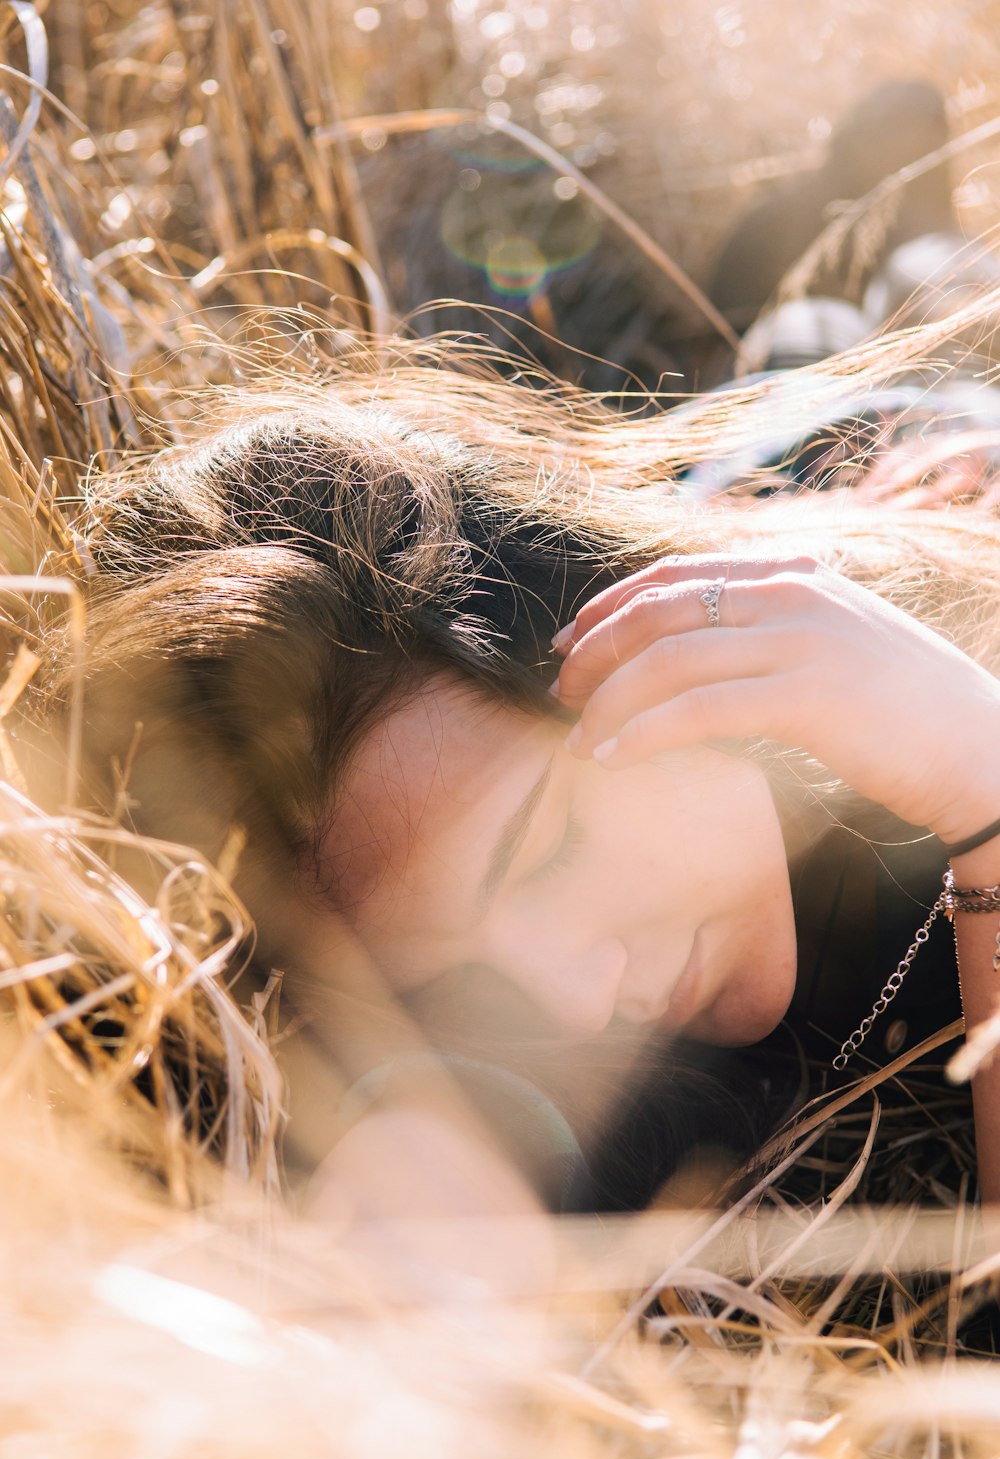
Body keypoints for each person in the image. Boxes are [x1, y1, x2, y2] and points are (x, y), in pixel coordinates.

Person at [29, 324, 1000, 1236]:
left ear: (628, 620)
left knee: (817, 352)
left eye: (548, 850)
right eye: (449, 984)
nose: (574, 1004)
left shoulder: (963, 619)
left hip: (860, 450)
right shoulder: (543, 1090)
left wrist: (979, 776)